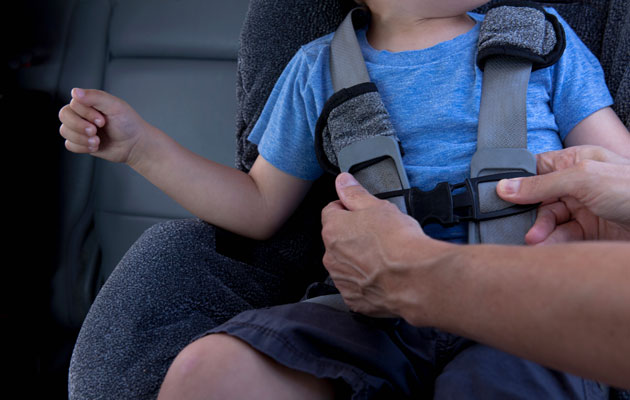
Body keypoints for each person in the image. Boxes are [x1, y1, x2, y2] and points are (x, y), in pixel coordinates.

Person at [57, 0, 630, 398]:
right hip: (371, 308)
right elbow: (258, 207)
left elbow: (617, 177)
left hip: (528, 305)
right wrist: (143, 149)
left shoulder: (541, 40)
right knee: (212, 370)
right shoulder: (318, 70)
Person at [320, 145, 630, 390]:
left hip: (519, 327)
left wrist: (409, 270)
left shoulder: (562, 66)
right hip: (363, 317)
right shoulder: (312, 73)